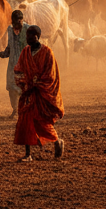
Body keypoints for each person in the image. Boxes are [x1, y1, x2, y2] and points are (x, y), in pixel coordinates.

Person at [14, 25, 64, 162]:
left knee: (41, 121)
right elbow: (19, 69)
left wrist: (37, 83)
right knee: (25, 121)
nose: (28, 39)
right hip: (29, 93)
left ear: (37, 37)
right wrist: (24, 83)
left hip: (42, 93)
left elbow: (51, 75)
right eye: (27, 36)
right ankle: (28, 154)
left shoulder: (47, 52)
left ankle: (56, 141)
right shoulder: (25, 52)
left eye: (31, 36)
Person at [0, 8, 28, 118]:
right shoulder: (10, 30)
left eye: (19, 22)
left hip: (25, 65)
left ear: (22, 20)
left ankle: (25, 110)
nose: (17, 25)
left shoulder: (28, 30)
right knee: (11, 87)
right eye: (15, 22)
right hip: (12, 65)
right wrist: (4, 53)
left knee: (24, 88)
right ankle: (15, 110)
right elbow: (10, 46)